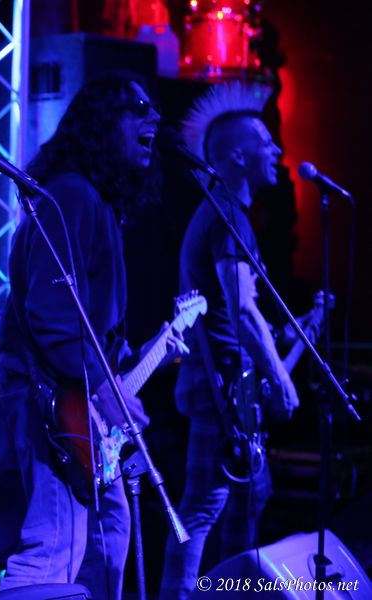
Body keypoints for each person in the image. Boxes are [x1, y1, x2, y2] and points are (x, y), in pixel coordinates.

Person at [0, 76, 163, 599]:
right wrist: (105, 389)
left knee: (107, 539)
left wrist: (125, 361)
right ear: (101, 124)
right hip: (53, 400)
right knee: (52, 549)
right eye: (138, 107)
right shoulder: (70, 195)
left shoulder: (94, 201)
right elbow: (52, 318)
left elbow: (85, 323)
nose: (155, 118)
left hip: (75, 395)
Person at [159, 82, 300, 599]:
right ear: (237, 156)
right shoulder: (226, 216)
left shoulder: (227, 214)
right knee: (205, 506)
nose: (277, 151)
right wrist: (281, 378)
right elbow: (241, 307)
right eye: (265, 142)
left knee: (244, 499)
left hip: (227, 385)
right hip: (220, 389)